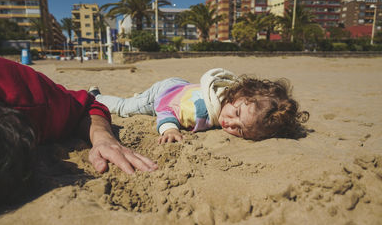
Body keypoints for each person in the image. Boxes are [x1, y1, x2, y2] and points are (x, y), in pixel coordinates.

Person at [0, 54, 157, 208]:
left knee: (124, 106)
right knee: (122, 105)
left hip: (123, 100)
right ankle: (97, 93)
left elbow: (88, 106)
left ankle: (96, 93)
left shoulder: (21, 99)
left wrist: (103, 137)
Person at [89, 68, 309, 144]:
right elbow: (166, 107)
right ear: (240, 95)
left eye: (240, 129)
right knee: (126, 107)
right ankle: (96, 97)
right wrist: (170, 128)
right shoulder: (199, 112)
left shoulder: (225, 91)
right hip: (164, 94)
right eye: (236, 113)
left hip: (180, 87)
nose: (229, 123)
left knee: (135, 101)